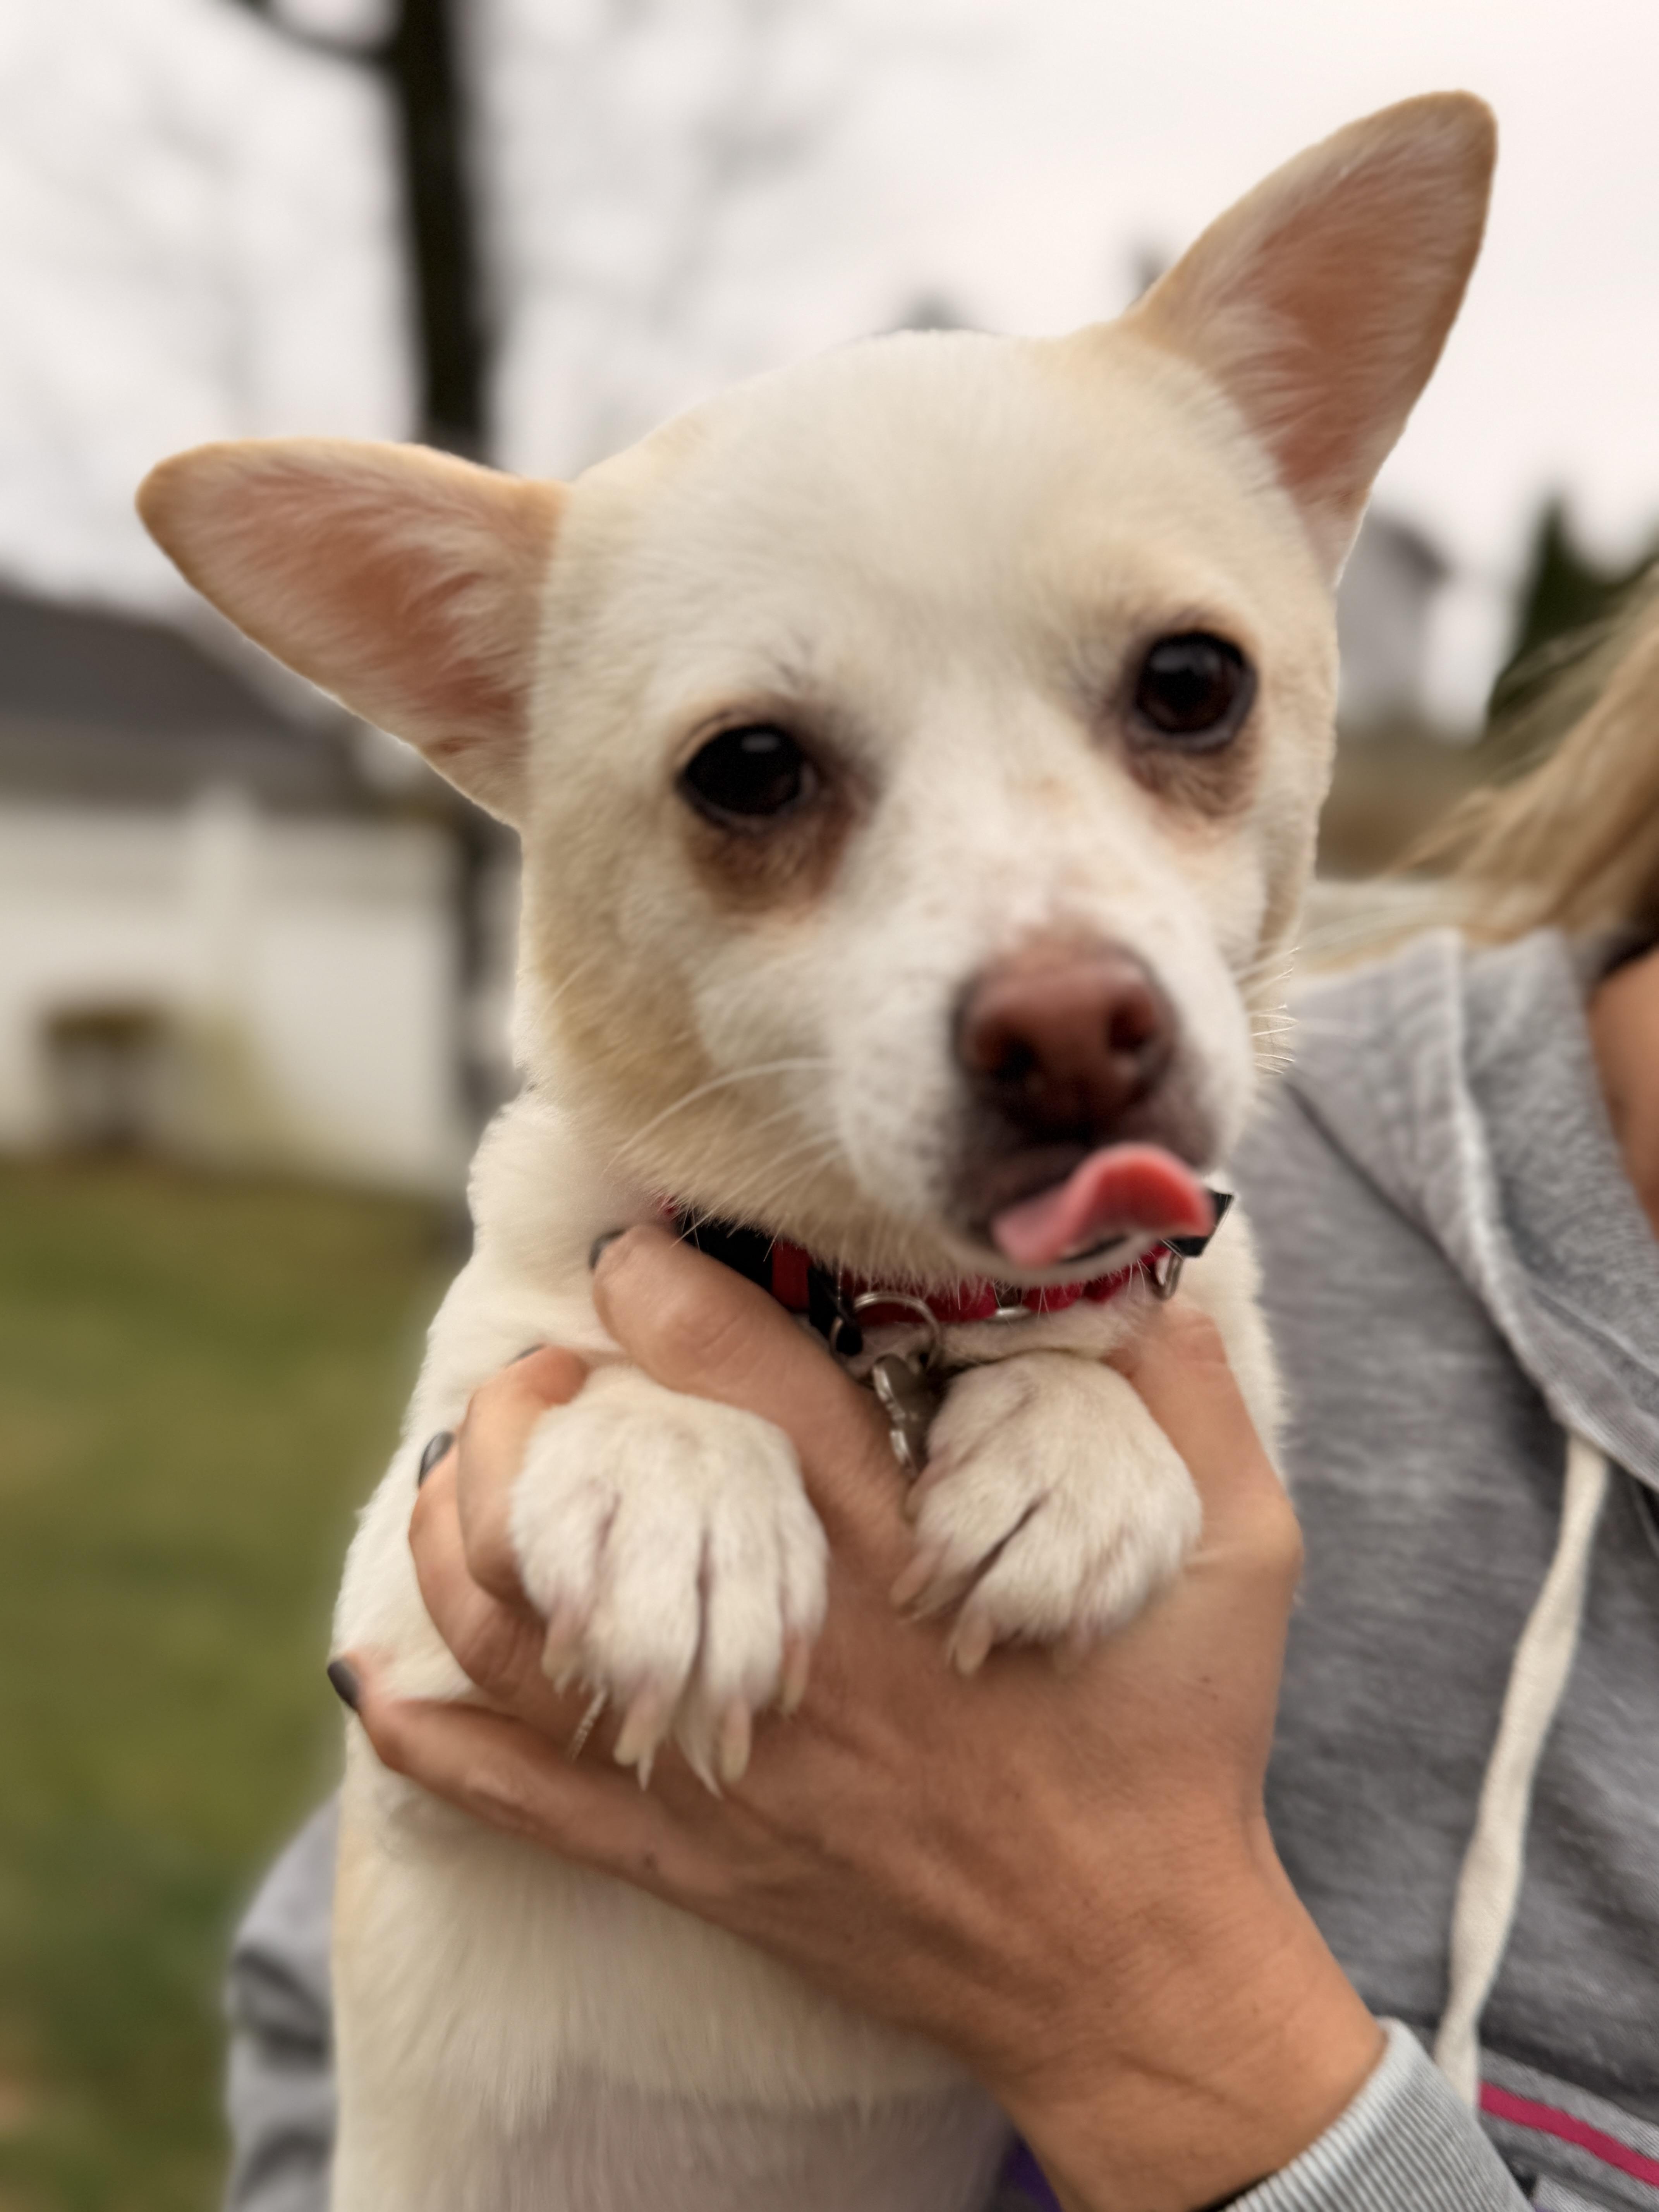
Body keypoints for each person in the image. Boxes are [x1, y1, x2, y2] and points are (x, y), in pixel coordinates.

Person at [222, 584, 1659, 2212]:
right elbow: (372, 1888)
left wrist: (1157, 2007)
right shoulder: (1012, 1103)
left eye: (1182, 694)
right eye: (758, 772)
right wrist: (638, 1437)